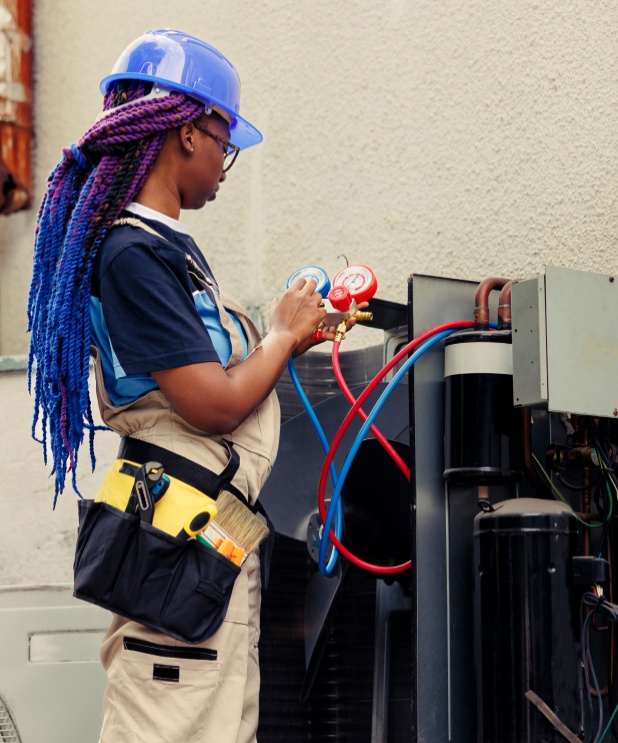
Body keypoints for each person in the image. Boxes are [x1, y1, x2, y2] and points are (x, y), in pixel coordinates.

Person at [27, 29, 352, 742]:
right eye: (224, 139)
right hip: (179, 557)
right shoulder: (131, 252)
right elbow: (212, 404)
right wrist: (281, 336)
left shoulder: (168, 249)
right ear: (183, 130)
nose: (227, 163)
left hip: (211, 549)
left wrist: (293, 333)